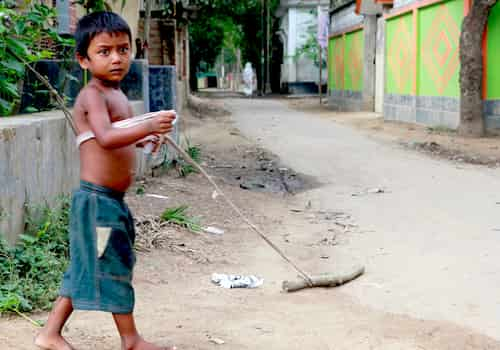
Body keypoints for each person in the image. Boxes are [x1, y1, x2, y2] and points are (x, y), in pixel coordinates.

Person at [34, 11, 177, 350]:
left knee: (85, 266)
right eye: (105, 51)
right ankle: (130, 339)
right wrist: (149, 125)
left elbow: (124, 137)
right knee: (113, 262)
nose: (116, 58)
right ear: (83, 59)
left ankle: (49, 334)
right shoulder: (92, 96)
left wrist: (147, 139)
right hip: (96, 202)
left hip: (110, 202)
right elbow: (106, 137)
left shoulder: (118, 96)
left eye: (123, 49)